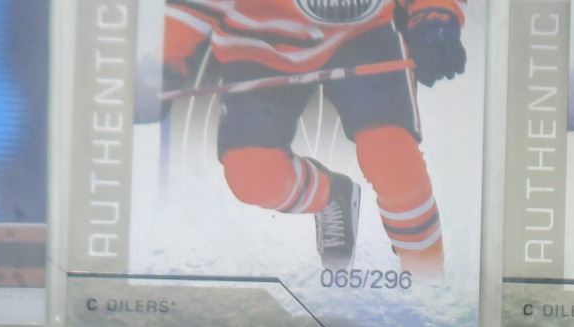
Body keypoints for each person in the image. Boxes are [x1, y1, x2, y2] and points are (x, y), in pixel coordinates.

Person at [164, 0, 467, 272]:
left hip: (366, 35)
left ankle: (427, 275)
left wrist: (435, 16)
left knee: (392, 161)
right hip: (259, 44)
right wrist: (165, 59)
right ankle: (330, 197)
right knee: (254, 176)